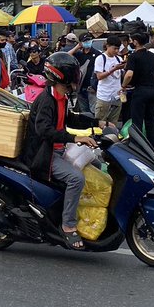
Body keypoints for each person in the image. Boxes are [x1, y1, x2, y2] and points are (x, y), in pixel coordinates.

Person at [19, 52, 98, 250]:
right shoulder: (47, 100)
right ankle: (68, 226)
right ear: (63, 76)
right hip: (44, 155)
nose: (77, 78)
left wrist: (100, 124)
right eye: (74, 74)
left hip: (57, 149)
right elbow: (44, 130)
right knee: (76, 179)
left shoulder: (60, 97)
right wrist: (75, 138)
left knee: (96, 163)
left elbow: (70, 119)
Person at [121, 32, 154, 155]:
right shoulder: (152, 56)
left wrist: (123, 86)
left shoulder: (133, 57)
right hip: (152, 90)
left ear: (135, 42)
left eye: (132, 40)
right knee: (150, 121)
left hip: (139, 91)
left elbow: (129, 74)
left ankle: (138, 149)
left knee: (137, 122)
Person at [92, 36, 125, 127]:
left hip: (117, 96)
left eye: (118, 49)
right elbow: (99, 76)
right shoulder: (101, 58)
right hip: (104, 96)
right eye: (114, 48)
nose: (116, 51)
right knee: (99, 123)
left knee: (113, 124)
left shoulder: (119, 59)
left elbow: (121, 75)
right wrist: (113, 69)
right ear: (107, 46)